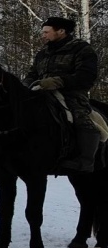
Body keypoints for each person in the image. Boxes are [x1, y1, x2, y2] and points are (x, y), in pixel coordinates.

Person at [22, 16, 100, 173]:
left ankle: (85, 160)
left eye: (46, 32)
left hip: (71, 94)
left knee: (80, 118)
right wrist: (24, 86)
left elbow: (86, 76)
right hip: (41, 92)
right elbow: (33, 74)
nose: (42, 35)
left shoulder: (82, 49)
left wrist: (58, 82)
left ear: (61, 31)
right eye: (42, 32)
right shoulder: (43, 53)